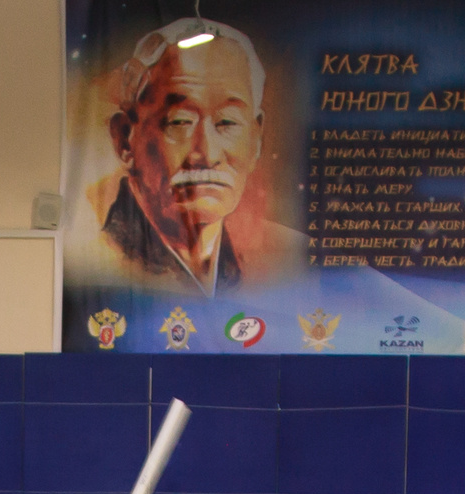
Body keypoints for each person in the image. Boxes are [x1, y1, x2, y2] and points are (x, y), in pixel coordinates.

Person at [75, 17, 303, 296]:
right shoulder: (90, 259)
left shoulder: (287, 257)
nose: (207, 153)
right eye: (180, 121)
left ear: (256, 139)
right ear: (124, 139)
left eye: (227, 122)